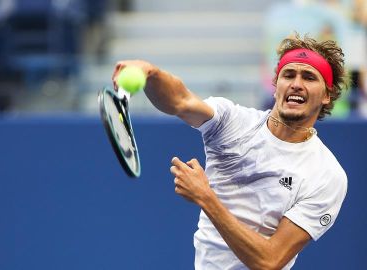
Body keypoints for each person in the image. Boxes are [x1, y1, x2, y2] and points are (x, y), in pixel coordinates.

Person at [112, 33, 348, 269]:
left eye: (309, 77)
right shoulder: (232, 121)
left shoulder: (327, 175)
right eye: (288, 75)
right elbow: (180, 101)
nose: (296, 83)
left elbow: (269, 261)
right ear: (276, 87)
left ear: (327, 95)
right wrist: (151, 72)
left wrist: (206, 197)